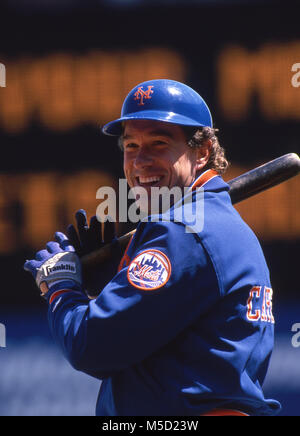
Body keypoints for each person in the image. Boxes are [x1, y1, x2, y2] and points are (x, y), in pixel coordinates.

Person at [24, 79, 281, 416]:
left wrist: (61, 288)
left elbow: (92, 346)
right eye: (131, 146)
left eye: (158, 143)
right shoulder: (218, 224)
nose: (140, 161)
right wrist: (108, 285)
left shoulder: (181, 230)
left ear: (202, 151)